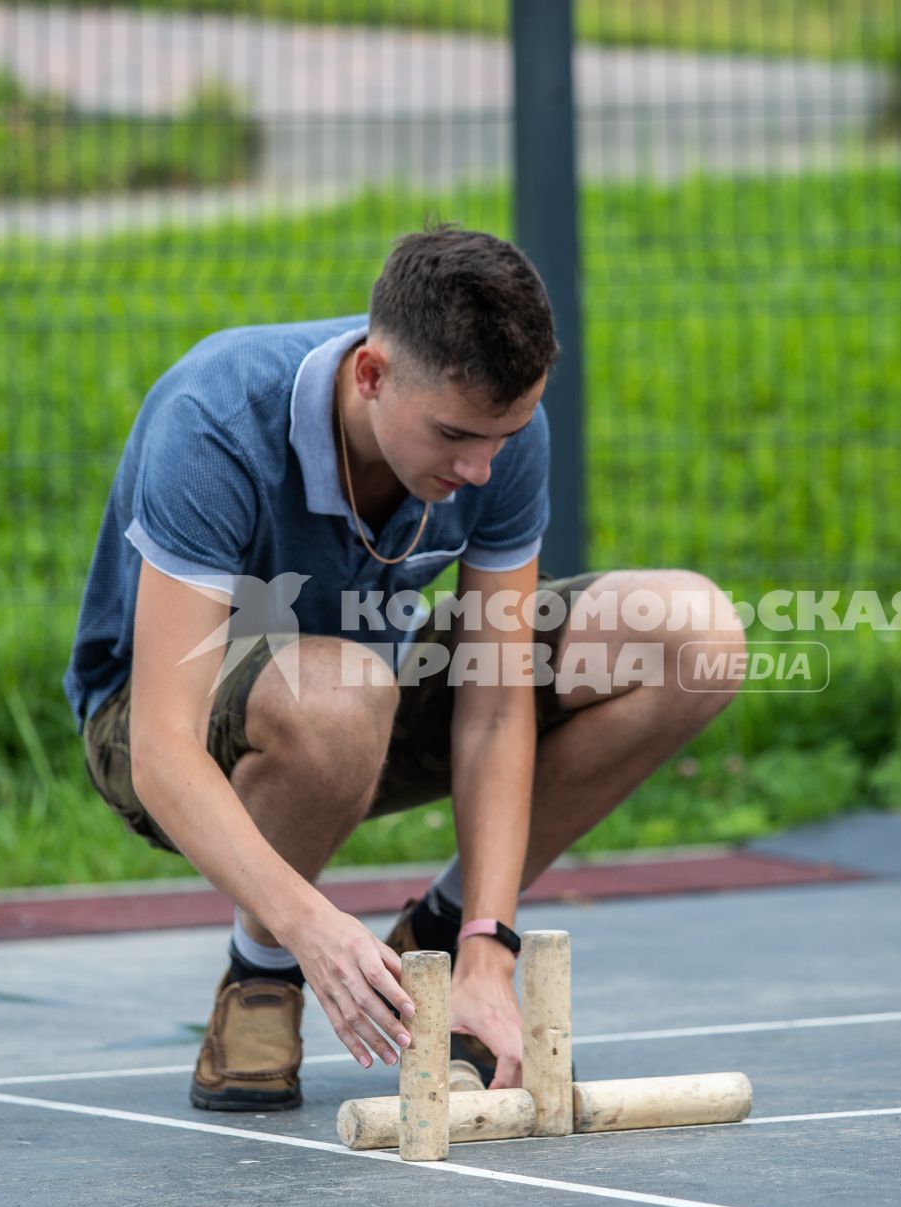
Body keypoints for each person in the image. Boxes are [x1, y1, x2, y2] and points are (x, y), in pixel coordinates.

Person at [63, 224, 745, 1112]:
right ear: (372, 375)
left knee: (694, 635)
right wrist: (310, 931)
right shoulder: (217, 420)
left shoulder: (496, 434)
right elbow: (161, 749)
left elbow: (496, 706)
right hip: (167, 728)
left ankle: (436, 926)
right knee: (341, 693)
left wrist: (485, 944)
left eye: (503, 436)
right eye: (457, 437)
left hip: (369, 693)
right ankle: (259, 976)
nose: (479, 468)